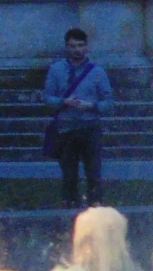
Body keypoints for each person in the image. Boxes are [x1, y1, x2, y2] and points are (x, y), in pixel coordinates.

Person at [44, 26, 112, 207]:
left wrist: (92, 105)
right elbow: (47, 98)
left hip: (90, 127)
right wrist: (64, 101)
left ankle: (95, 204)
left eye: (80, 45)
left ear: (87, 46)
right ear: (67, 47)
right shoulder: (56, 70)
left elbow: (109, 102)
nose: (77, 50)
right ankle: (70, 204)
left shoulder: (98, 72)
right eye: (72, 46)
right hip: (66, 128)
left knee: (94, 171)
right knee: (69, 173)